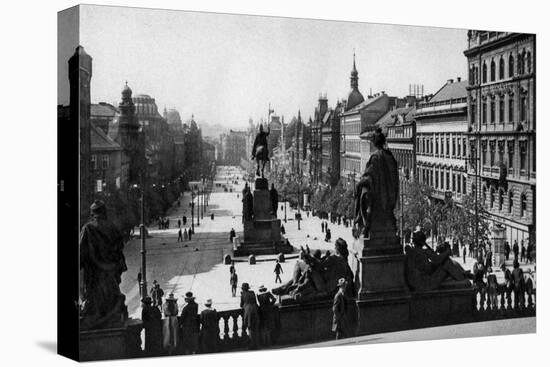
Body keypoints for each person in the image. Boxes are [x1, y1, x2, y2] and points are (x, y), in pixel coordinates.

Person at [79, 200, 127, 329]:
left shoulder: (88, 228)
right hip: (110, 273)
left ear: (92, 213)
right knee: (110, 297)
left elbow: (80, 252)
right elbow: (119, 250)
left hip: (94, 274)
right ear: (105, 212)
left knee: (95, 301)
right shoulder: (113, 228)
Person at [240, 283, 260, 349]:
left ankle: (252, 345)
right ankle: (257, 344)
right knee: (255, 327)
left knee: (250, 327)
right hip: (255, 309)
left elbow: (241, 304)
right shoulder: (252, 292)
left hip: (248, 311)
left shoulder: (243, 294)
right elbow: (255, 301)